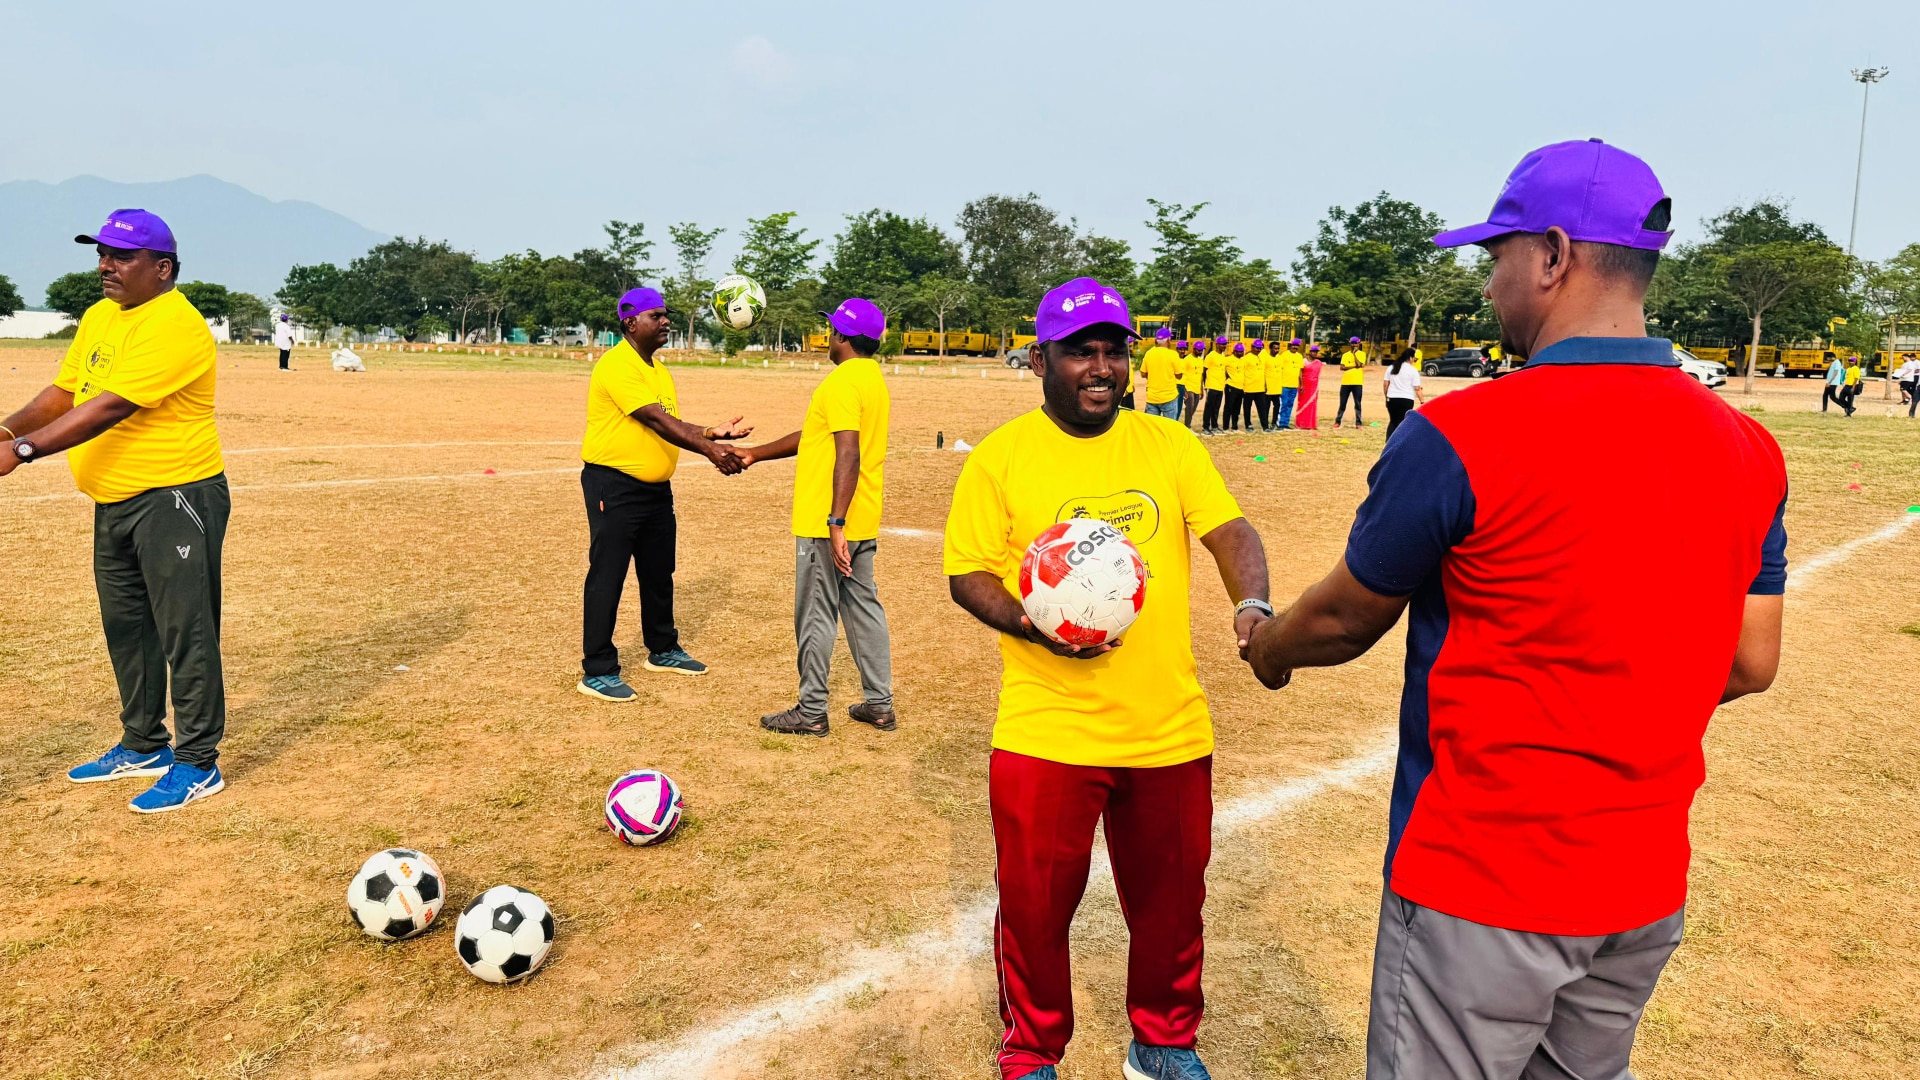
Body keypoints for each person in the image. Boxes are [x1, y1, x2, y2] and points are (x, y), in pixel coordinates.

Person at [1244, 138, 1788, 1080]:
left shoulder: (1463, 432)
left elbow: (1341, 620)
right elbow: (1748, 664)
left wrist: (1267, 644)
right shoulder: (1749, 448)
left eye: (1497, 259)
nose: (1490, 286)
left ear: (1553, 255)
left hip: (1481, 881)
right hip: (1642, 885)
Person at [944, 275, 1272, 1080]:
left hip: (1167, 728)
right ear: (1041, 359)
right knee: (1034, 909)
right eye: (1079, 352)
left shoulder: (1170, 446)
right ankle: (1031, 1051)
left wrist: (1255, 603)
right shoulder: (1001, 457)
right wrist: (1034, 623)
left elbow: (1229, 529)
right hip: (1046, 730)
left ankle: (1162, 1043)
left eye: (1113, 351)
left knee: (1170, 907)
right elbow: (968, 573)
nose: (1101, 367)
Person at [0, 209, 230, 812]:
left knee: (187, 632)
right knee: (129, 630)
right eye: (101, 253)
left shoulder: (176, 325)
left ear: (163, 268)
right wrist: (5, 428)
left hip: (173, 497)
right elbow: (63, 393)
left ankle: (199, 761)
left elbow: (109, 407)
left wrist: (22, 451)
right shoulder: (102, 317)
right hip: (114, 500)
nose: (106, 266)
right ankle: (143, 743)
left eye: (122, 256)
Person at [577, 286, 754, 701]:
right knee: (608, 575)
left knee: (659, 572)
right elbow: (656, 422)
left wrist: (712, 432)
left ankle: (663, 647)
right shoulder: (617, 365)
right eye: (656, 316)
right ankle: (598, 668)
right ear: (630, 323)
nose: (666, 322)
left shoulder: (657, 369)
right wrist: (712, 451)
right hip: (614, 485)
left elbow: (671, 421)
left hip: (655, 490)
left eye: (666, 315)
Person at [744, 298, 895, 737]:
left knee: (815, 613)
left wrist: (834, 522)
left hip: (827, 522)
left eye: (832, 330)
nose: (828, 336)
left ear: (842, 337)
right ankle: (879, 704)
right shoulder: (872, 377)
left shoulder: (840, 382)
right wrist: (754, 454)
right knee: (864, 607)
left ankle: (811, 711)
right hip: (861, 517)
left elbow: (848, 451)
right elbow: (814, 437)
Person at [1138, 327, 1186, 420]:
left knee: (1152, 428)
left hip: (1152, 397)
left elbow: (1143, 373)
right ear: (1168, 340)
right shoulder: (1173, 354)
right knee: (1170, 427)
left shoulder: (1149, 353)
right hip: (1169, 397)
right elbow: (1179, 376)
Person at [1382, 346, 1424, 438]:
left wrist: (1386, 395)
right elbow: (1417, 388)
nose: (1414, 361)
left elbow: (1386, 384)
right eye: (1414, 359)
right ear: (1410, 358)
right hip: (1406, 399)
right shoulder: (1413, 370)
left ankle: (1389, 442)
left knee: (1393, 421)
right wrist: (1422, 401)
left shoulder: (1391, 367)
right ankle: (1400, 442)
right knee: (1402, 422)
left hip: (1392, 398)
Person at [1272, 339, 1305, 430]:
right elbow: (1279, 369)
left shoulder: (1299, 356)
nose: (1295, 347)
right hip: (1284, 385)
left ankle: (1285, 423)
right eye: (1293, 345)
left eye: (1297, 345)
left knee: (1290, 404)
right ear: (1290, 345)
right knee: (1284, 404)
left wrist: (1301, 384)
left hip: (1294, 385)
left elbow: (1300, 371)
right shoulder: (1284, 355)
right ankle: (1280, 423)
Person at [1335, 336, 1366, 428]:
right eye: (1352, 343)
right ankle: (1337, 421)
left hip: (1357, 383)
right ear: (1350, 343)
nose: (1354, 345)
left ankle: (1358, 423)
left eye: (1355, 343)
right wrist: (1353, 367)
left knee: (1357, 404)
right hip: (1345, 383)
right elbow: (1342, 367)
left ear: (1359, 344)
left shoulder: (1362, 354)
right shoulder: (1345, 355)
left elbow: (1360, 365)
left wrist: (1354, 354)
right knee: (1342, 403)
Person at [1201, 336, 1228, 435]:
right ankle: (1205, 427)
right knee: (1209, 407)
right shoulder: (1211, 356)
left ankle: (1214, 426)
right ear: (1217, 345)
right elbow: (1203, 371)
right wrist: (1204, 385)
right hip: (1212, 386)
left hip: (1220, 386)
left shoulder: (1222, 356)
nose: (1224, 346)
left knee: (1216, 407)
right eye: (1222, 344)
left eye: (1225, 344)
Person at [1241, 339, 1269, 430]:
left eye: (1260, 348)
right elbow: (1241, 372)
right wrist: (1243, 386)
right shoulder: (1246, 358)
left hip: (1260, 389)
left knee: (1262, 409)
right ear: (1252, 347)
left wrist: (1265, 385)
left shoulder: (1262, 357)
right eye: (1257, 348)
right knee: (1247, 408)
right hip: (1249, 388)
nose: (1258, 350)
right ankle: (1248, 425)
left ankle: (1265, 426)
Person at [1295, 344, 1324, 429]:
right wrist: (1301, 385)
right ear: (1310, 352)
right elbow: (1299, 374)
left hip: (1313, 387)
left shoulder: (1318, 363)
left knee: (1312, 404)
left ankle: (1310, 424)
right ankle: (1301, 423)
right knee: (1302, 404)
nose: (1315, 353)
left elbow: (1317, 375)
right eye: (1314, 352)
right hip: (1304, 385)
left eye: (1316, 352)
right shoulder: (1303, 361)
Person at [1176, 340, 1202, 429]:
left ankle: (1187, 425)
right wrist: (1185, 389)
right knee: (1184, 407)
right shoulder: (1185, 360)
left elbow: (1200, 375)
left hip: (1196, 388)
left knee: (1193, 408)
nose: (1182, 351)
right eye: (1180, 349)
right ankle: (1186, 426)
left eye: (1184, 349)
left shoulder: (1200, 360)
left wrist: (1201, 389)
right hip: (1185, 387)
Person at [1222, 341, 1247, 432]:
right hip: (1231, 386)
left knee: (1237, 408)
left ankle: (1235, 426)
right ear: (1234, 352)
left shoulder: (1243, 360)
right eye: (1239, 352)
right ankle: (1225, 427)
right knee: (1229, 407)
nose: (1241, 353)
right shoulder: (1228, 359)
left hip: (1241, 387)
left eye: (1242, 351)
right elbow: (1221, 369)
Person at [1896, 352, 1920, 417]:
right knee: (1914, 399)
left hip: (1912, 377)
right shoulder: (1906, 363)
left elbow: (1914, 370)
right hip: (1913, 381)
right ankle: (1911, 415)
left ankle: (1909, 399)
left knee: (1904, 389)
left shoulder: (1916, 362)